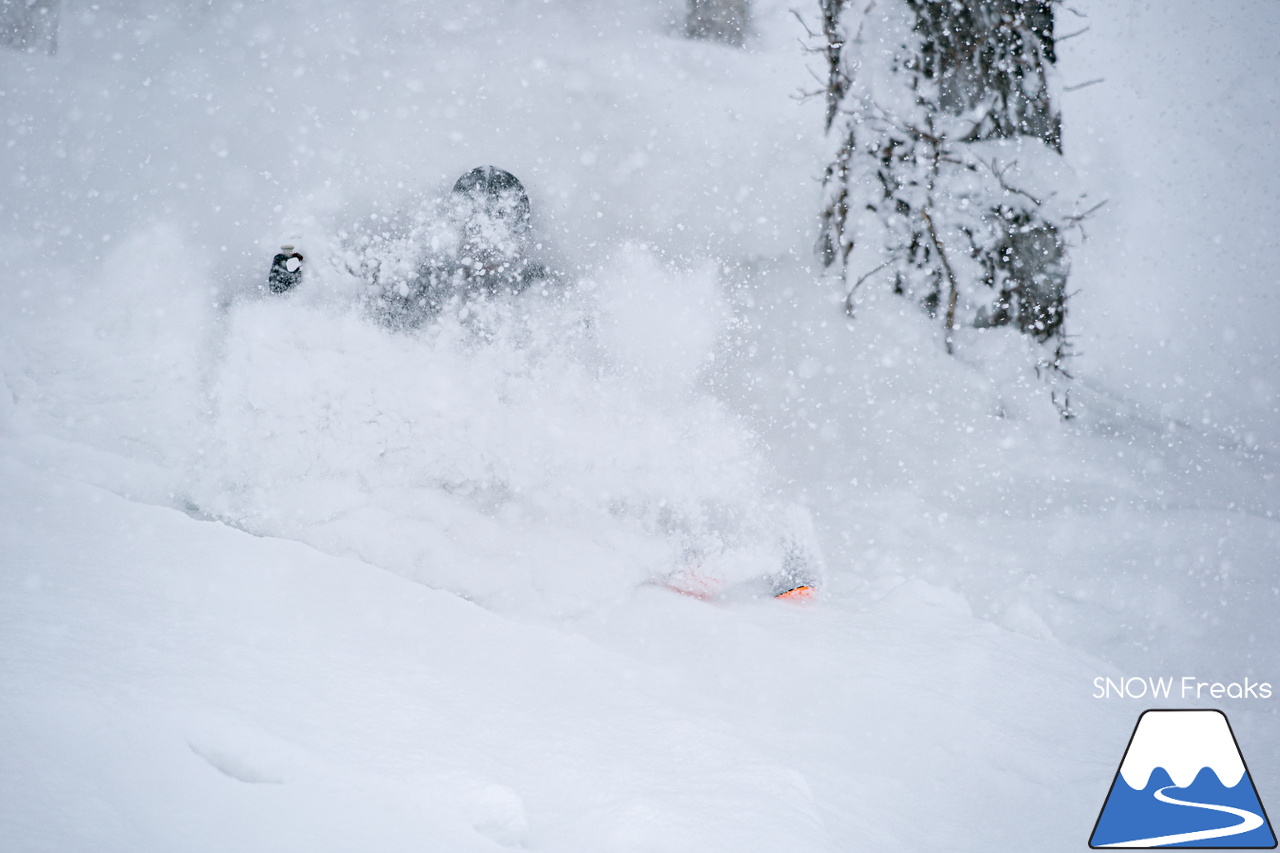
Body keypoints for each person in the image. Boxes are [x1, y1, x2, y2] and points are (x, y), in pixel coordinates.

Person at [267, 166, 551, 325]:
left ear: (521, 233)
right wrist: (295, 288)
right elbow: (358, 312)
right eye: (474, 226)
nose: (485, 243)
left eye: (500, 226)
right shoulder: (426, 284)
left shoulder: (543, 290)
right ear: (455, 229)